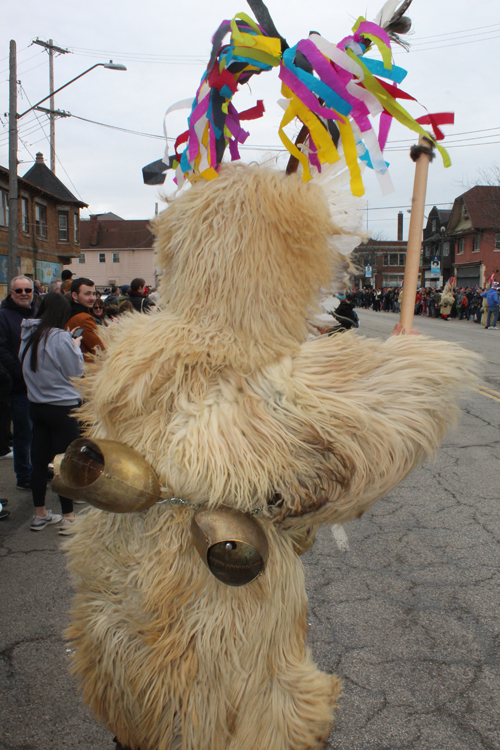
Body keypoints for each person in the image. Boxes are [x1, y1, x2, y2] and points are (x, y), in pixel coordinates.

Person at [20, 292, 84, 533]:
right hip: (62, 408)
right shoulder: (60, 338)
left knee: (38, 461)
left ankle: (40, 514)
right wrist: (75, 346)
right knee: (64, 463)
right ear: (62, 314)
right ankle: (69, 516)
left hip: (36, 405)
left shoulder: (27, 334)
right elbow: (76, 372)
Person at [0, 276, 35, 489]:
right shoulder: (3, 316)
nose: (24, 294)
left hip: (39, 386)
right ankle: (24, 475)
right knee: (23, 433)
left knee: (38, 434)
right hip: (19, 386)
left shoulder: (36, 314)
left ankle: (38, 469)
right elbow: (2, 349)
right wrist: (21, 373)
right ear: (11, 293)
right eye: (19, 290)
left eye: (28, 290)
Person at [66, 277, 104, 360]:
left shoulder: (69, 311)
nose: (92, 298)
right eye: (87, 294)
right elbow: (99, 350)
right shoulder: (84, 319)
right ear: (74, 295)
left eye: (94, 294)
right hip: (85, 368)